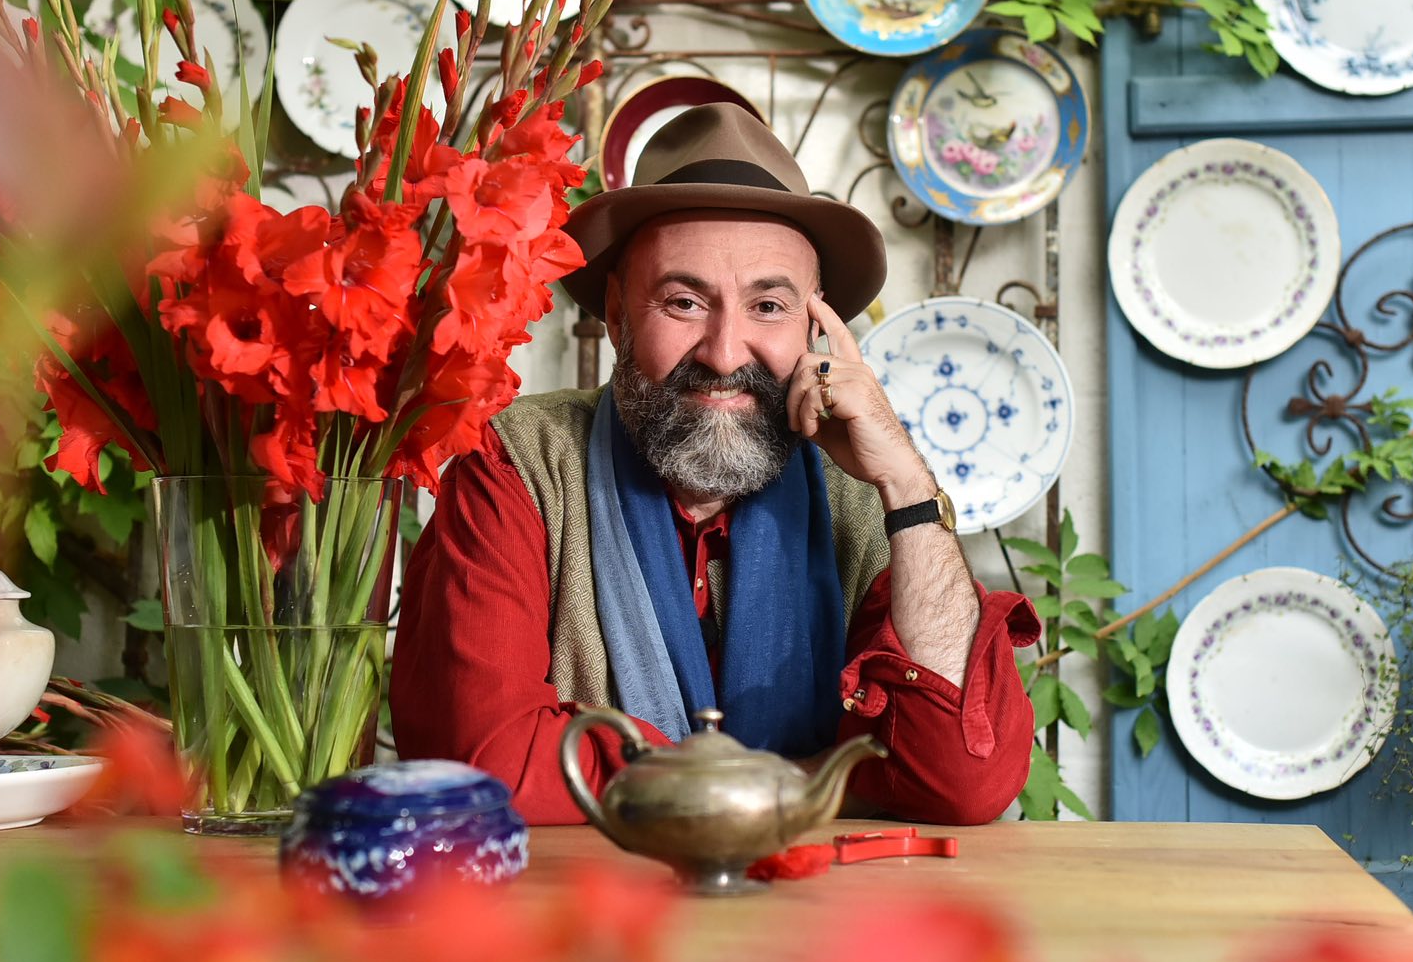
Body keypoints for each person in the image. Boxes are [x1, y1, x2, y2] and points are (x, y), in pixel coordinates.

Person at [388, 103, 1042, 824]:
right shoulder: (514, 462)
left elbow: (963, 775)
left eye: (768, 306)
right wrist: (800, 782)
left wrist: (908, 486)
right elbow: (488, 763)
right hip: (588, 897)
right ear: (618, 313)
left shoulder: (863, 501)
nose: (725, 354)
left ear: (815, 326)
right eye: (684, 302)